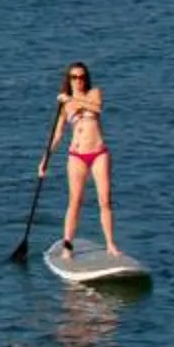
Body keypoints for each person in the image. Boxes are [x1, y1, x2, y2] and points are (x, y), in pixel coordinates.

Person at [46, 60, 117, 256]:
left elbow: (97, 107)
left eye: (82, 77)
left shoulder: (94, 93)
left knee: (105, 200)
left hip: (99, 153)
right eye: (74, 77)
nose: (79, 81)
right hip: (77, 155)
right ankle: (67, 246)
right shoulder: (65, 105)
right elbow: (57, 135)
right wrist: (45, 159)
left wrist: (70, 100)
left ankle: (110, 244)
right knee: (75, 201)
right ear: (69, 80)